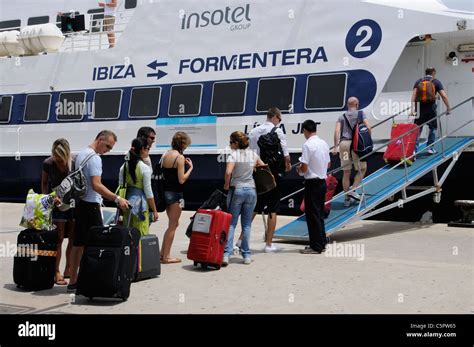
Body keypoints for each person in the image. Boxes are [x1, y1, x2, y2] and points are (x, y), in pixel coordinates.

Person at [67, 130, 129, 292]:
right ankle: (93, 278)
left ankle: (73, 280)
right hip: (91, 206)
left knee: (78, 243)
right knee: (97, 245)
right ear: (100, 140)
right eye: (107, 146)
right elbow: (97, 185)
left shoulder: (82, 153)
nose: (108, 150)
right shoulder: (95, 159)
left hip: (80, 204)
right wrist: (117, 199)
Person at [248, 107, 291, 253]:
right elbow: (286, 154)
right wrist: (287, 166)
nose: (279, 122)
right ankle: (268, 245)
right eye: (279, 119)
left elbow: (251, 154)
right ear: (275, 117)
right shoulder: (278, 132)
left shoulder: (253, 132)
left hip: (259, 172)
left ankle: (240, 240)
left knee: (256, 205)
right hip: (274, 174)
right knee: (273, 207)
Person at [222, 131, 264, 266]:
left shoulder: (233, 155)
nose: (229, 145)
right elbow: (263, 166)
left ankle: (226, 254)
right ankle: (246, 255)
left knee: (232, 223)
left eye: (230, 142)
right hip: (251, 191)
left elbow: (228, 172)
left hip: (237, 189)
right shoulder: (253, 154)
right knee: (246, 224)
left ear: (236, 143)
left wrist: (226, 184)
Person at [41, 139, 75, 285]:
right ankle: (56, 271)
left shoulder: (73, 162)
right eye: (56, 156)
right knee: (58, 239)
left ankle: (69, 268)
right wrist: (48, 199)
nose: (59, 160)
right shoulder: (48, 163)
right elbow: (44, 183)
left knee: (73, 238)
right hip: (56, 203)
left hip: (72, 203)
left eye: (61, 157)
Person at [297, 120, 331, 254]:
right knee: (319, 214)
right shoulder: (324, 143)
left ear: (306, 130)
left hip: (312, 183)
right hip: (322, 181)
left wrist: (299, 170)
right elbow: (328, 165)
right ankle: (321, 243)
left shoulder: (307, 145)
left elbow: (304, 167)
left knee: (312, 215)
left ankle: (315, 246)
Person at [160, 132, 193, 264]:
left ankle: (162, 253)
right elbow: (181, 179)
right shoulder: (179, 157)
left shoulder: (165, 154)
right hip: (176, 194)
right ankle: (167, 256)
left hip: (165, 192)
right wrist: (190, 168)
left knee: (173, 224)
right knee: (173, 225)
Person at [333, 96, 371, 207]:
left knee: (346, 172)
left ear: (347, 105)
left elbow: (337, 131)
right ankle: (353, 190)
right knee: (362, 168)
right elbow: (368, 127)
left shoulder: (342, 116)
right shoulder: (361, 114)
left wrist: (336, 147)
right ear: (357, 105)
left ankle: (346, 199)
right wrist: (368, 141)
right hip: (356, 145)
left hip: (344, 145)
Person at [119, 138, 159, 236]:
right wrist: (154, 210)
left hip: (126, 205)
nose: (148, 152)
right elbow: (148, 192)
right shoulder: (144, 168)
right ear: (142, 150)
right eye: (148, 149)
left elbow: (120, 186)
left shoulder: (123, 167)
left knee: (128, 235)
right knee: (140, 235)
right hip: (141, 206)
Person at [411, 67, 451, 155]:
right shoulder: (436, 82)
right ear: (433, 72)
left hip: (419, 110)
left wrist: (412, 110)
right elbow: (444, 96)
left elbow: (413, 96)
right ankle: (430, 148)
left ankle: (414, 150)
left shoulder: (418, 81)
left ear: (425, 73)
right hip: (431, 110)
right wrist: (448, 108)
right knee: (433, 128)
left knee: (417, 129)